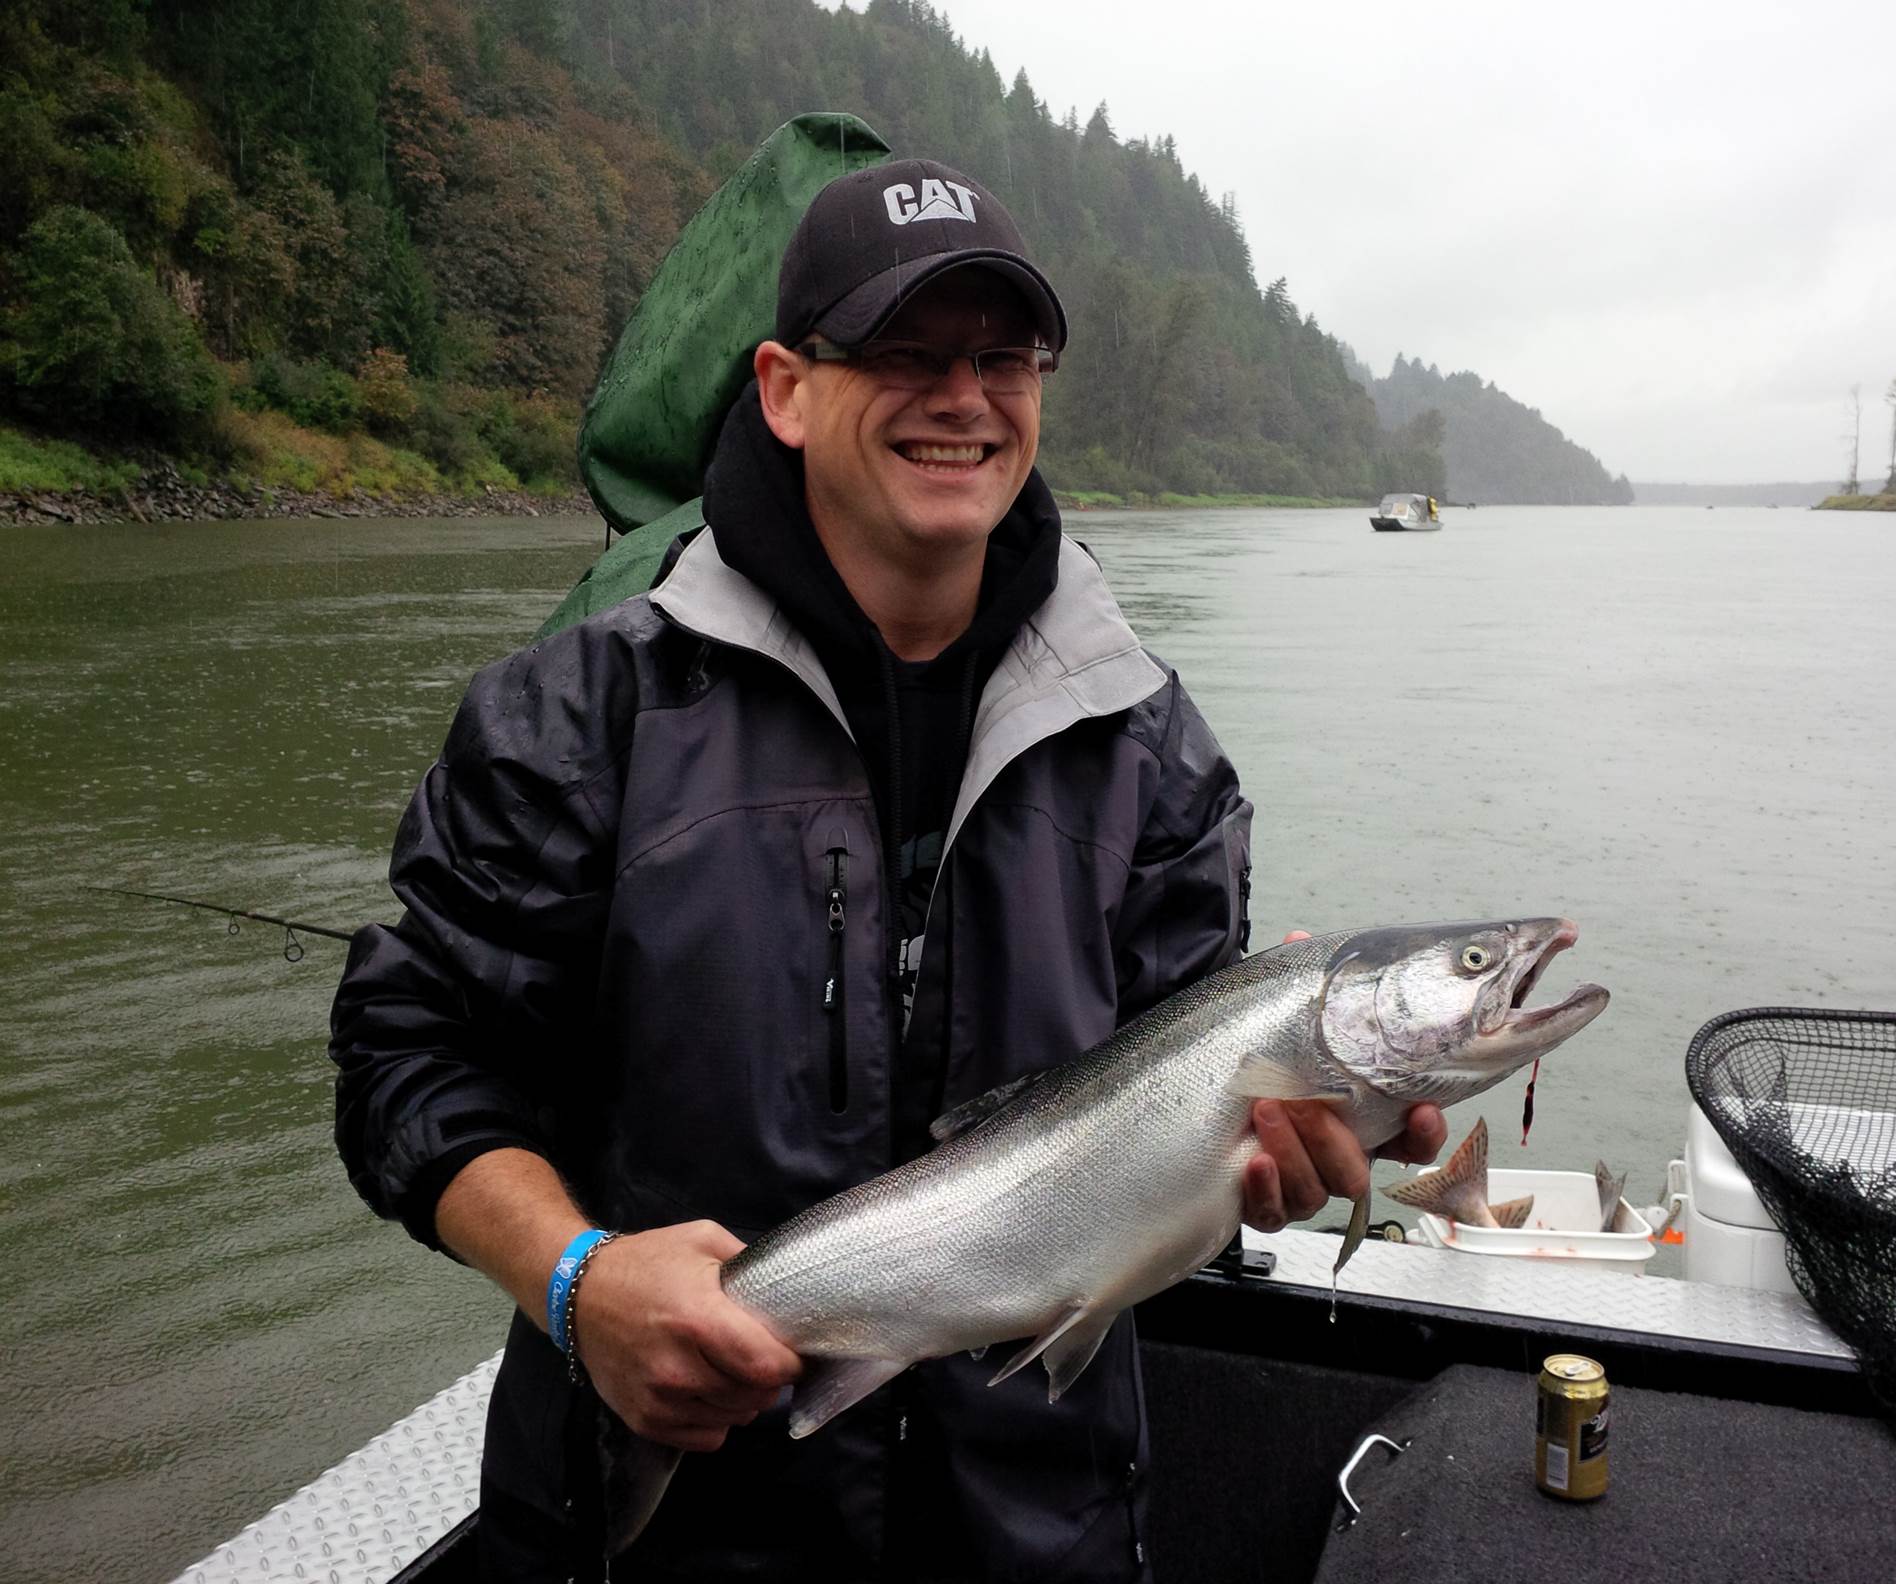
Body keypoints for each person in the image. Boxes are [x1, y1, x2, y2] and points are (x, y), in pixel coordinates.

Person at [330, 156, 1445, 1581]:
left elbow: (1178, 1135)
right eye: (905, 353)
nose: (962, 397)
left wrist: (1268, 1166)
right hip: (669, 1546)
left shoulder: (1153, 752)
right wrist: (574, 1280)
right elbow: (404, 1049)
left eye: (1002, 358)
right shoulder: (583, 716)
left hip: (1041, 1539)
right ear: (787, 390)